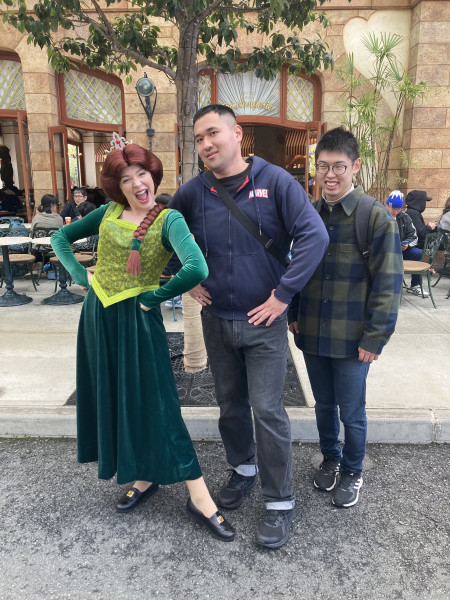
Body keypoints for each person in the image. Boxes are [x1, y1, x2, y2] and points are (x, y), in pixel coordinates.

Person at [50, 143, 234, 542]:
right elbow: (60, 238)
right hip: (99, 317)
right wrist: (81, 277)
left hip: (138, 321)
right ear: (117, 186)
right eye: (126, 179)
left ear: (153, 176)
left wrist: (154, 296)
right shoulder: (108, 212)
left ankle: (200, 497)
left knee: (161, 406)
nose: (136, 184)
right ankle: (146, 475)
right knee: (120, 398)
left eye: (141, 175)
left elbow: (197, 267)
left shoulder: (169, 220)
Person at [170, 104, 329, 549]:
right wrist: (185, 279)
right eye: (198, 138)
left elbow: (315, 236)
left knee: (268, 410)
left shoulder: (275, 181)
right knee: (230, 405)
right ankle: (242, 469)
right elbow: (160, 232)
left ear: (237, 134)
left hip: (264, 323)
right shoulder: (192, 192)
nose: (206, 144)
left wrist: (283, 295)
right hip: (217, 320)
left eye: (213, 133)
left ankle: (279, 501)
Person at [288, 127, 403, 509]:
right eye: (323, 166)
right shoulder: (308, 214)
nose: (330, 175)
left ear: (355, 166)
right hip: (313, 332)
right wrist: (293, 313)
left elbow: (388, 284)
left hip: (353, 339)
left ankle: (353, 470)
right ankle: (330, 459)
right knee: (323, 405)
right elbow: (296, 269)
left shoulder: (375, 218)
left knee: (352, 411)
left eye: (338, 166)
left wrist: (375, 337)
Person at [385, 190, 428, 297]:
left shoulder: (405, 217)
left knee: (417, 253)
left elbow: (413, 235)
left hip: (401, 250)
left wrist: (407, 244)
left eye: (398, 209)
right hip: (385, 251)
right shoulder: (380, 216)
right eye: (393, 209)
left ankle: (415, 285)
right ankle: (386, 286)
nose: (396, 211)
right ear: (387, 205)